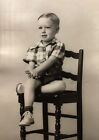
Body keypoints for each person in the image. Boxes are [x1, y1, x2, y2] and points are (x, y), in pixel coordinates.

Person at [19, 12, 66, 126]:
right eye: (40, 28)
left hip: (53, 78)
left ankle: (27, 91)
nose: (43, 31)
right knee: (30, 82)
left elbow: (51, 61)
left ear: (57, 30)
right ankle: (28, 113)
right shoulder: (34, 47)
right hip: (38, 78)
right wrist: (31, 70)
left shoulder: (59, 45)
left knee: (61, 85)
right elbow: (31, 63)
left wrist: (37, 70)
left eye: (47, 27)